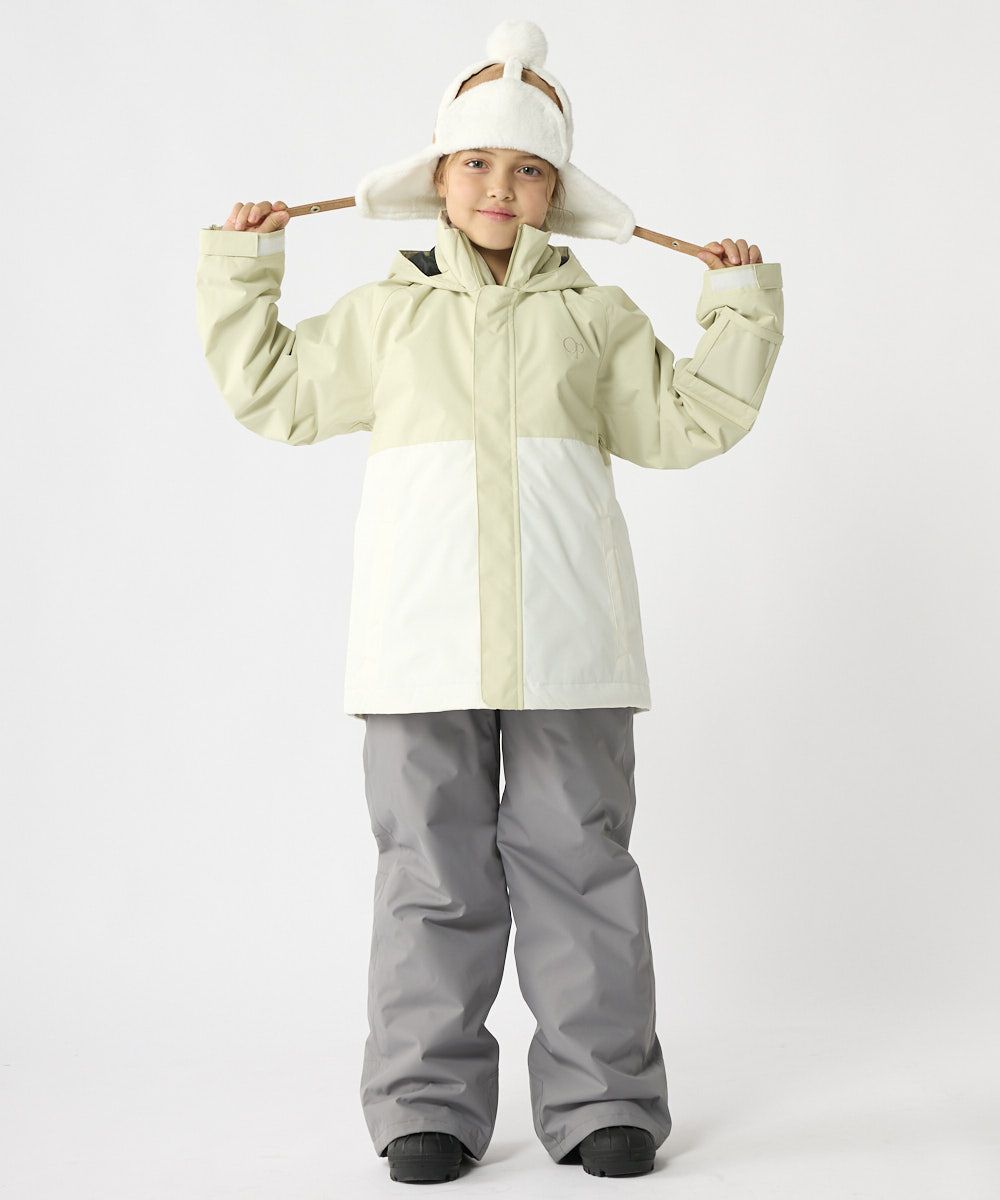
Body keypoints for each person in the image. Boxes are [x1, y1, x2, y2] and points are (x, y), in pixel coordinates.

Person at [194, 18, 784, 1185]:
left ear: (557, 189)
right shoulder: (386, 315)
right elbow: (274, 391)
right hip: (417, 646)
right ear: (437, 174)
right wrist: (242, 271)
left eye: (526, 168)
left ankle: (605, 1097)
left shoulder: (594, 317)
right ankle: (425, 1103)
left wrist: (739, 307)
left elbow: (687, 419)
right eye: (476, 162)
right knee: (429, 874)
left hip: (571, 646)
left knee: (581, 867)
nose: (499, 187)